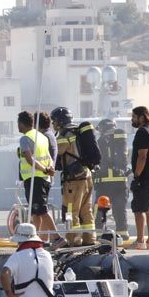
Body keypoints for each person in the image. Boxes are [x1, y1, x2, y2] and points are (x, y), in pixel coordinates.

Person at [52, 106, 98, 247]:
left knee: (71, 211)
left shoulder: (64, 135)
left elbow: (55, 153)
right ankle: (89, 239)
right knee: (86, 210)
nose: (53, 124)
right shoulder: (78, 131)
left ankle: (74, 240)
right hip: (87, 175)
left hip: (73, 179)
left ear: (60, 121)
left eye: (54, 121)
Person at [17, 111, 62, 248]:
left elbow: (30, 160)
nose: (17, 127)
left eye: (18, 123)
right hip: (44, 178)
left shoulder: (25, 138)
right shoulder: (41, 137)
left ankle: (57, 237)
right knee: (35, 212)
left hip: (35, 178)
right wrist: (49, 170)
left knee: (41, 209)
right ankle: (34, 239)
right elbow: (48, 157)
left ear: (22, 124)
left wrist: (43, 169)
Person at [96, 117, 130, 240]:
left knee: (101, 209)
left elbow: (98, 159)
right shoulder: (121, 140)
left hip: (104, 182)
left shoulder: (101, 140)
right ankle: (123, 234)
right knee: (120, 209)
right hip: (121, 181)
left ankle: (99, 234)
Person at [131, 106, 149, 249]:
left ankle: (140, 241)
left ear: (141, 117)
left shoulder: (142, 132)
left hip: (144, 178)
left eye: (133, 117)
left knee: (138, 209)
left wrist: (136, 175)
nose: (132, 120)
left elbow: (142, 156)